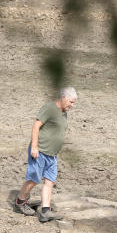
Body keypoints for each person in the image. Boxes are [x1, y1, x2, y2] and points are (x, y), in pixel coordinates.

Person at [13, 87, 78, 223]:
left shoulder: (63, 112)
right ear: (64, 97)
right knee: (34, 179)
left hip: (52, 154)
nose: (72, 105)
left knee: (50, 181)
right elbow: (36, 125)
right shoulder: (49, 108)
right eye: (71, 102)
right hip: (40, 151)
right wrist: (34, 147)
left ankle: (45, 211)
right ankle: (20, 202)